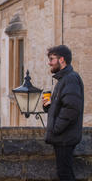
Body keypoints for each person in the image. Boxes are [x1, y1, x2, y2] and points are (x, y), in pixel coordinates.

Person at [42, 45, 84, 181]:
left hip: (65, 137)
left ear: (62, 60)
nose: (49, 62)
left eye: (52, 59)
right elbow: (64, 105)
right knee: (65, 173)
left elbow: (72, 108)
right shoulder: (64, 79)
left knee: (65, 174)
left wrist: (56, 128)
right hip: (63, 137)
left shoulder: (70, 78)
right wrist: (50, 106)